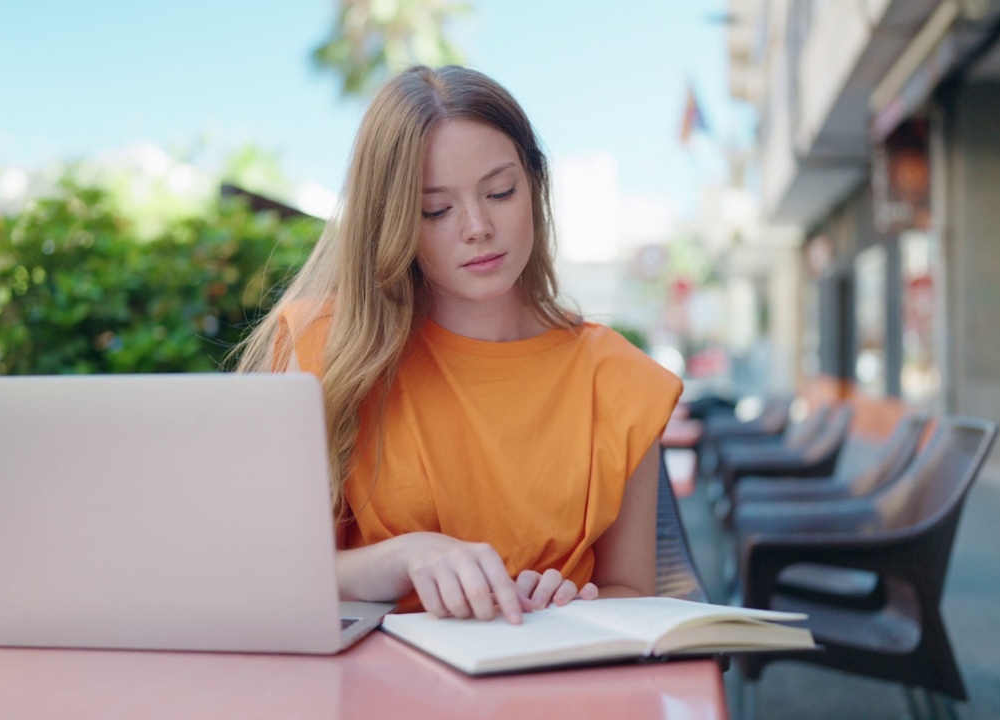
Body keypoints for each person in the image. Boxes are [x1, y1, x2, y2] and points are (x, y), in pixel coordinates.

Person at [236, 65, 682, 624]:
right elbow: (271, 573)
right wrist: (404, 558)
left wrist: (567, 606)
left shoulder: (619, 378)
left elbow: (632, 591)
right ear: (391, 220)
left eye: (500, 192)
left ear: (534, 184)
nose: (477, 227)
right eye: (436, 210)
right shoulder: (321, 350)